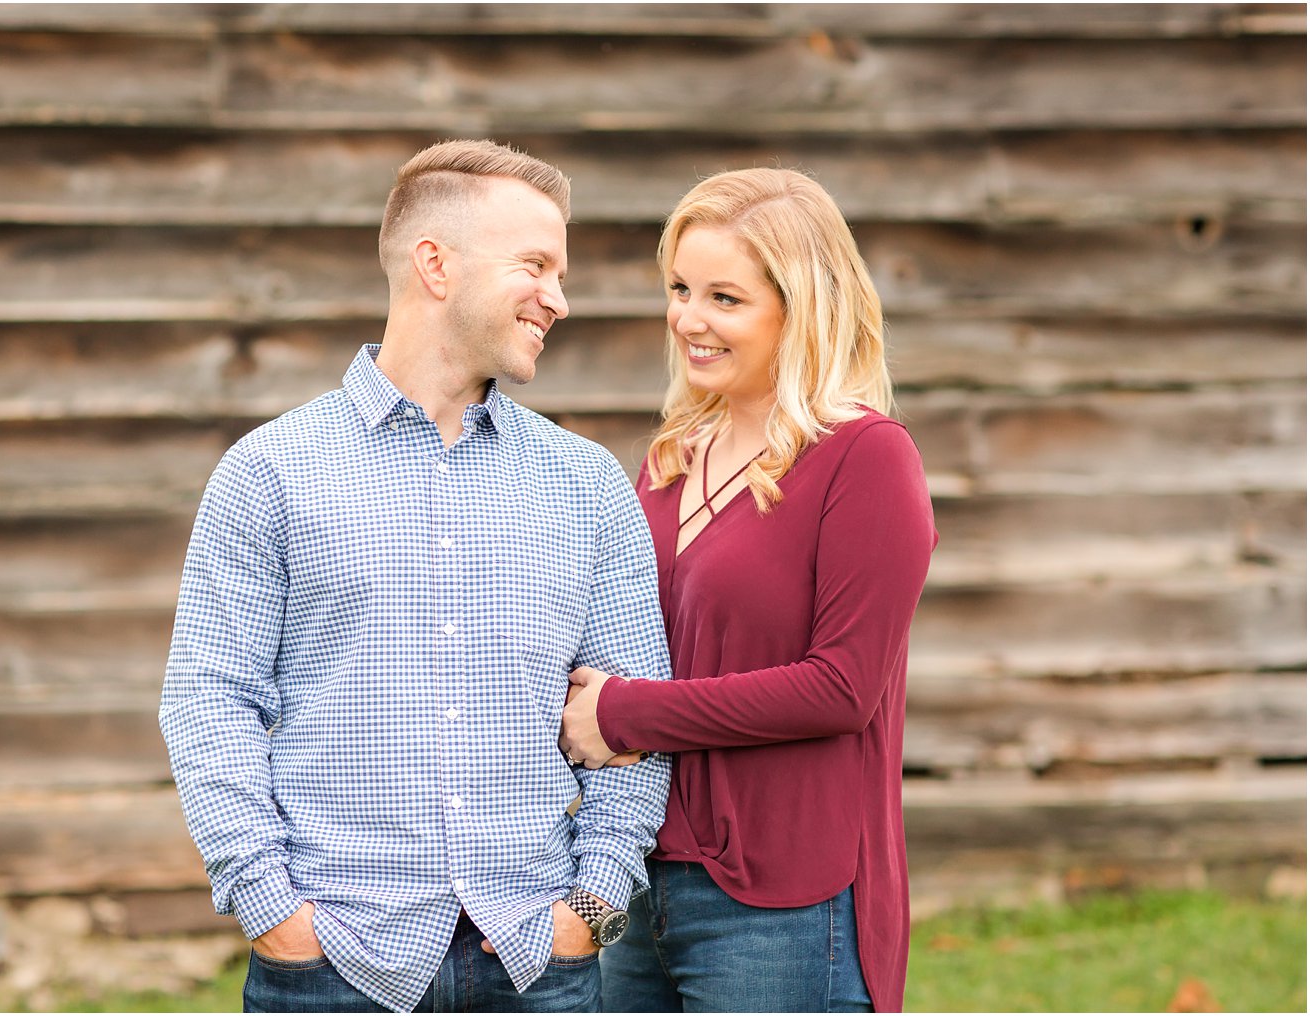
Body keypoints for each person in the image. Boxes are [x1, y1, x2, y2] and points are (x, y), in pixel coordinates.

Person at [160, 139, 673, 1014]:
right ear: (436, 265)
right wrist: (271, 910)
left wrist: (592, 910)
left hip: (537, 964)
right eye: (536, 265)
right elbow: (209, 700)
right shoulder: (269, 472)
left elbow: (637, 709)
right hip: (329, 967)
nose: (559, 297)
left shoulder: (586, 484)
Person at [558, 167, 937, 1013]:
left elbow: (842, 688)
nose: (689, 319)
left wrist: (624, 714)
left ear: (800, 310)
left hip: (783, 899)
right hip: (641, 879)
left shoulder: (866, 459)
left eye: (724, 298)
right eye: (680, 288)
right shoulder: (669, 461)